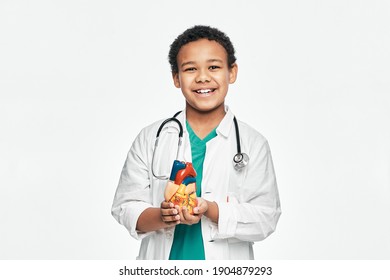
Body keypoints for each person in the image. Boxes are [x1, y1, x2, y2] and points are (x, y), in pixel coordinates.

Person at [111, 25, 281, 260]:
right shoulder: (152, 138)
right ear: (176, 78)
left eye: (213, 67)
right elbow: (125, 206)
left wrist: (211, 209)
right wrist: (163, 217)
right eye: (190, 69)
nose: (203, 77)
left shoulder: (253, 144)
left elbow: (266, 217)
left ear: (231, 72)